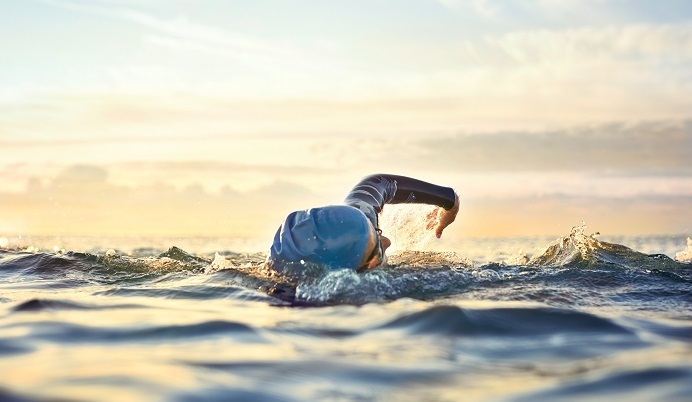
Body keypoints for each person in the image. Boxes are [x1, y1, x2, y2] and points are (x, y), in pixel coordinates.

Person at [267, 174, 460, 273]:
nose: (387, 242)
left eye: (377, 231)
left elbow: (378, 183)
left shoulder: (358, 222)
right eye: (376, 252)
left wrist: (450, 203)